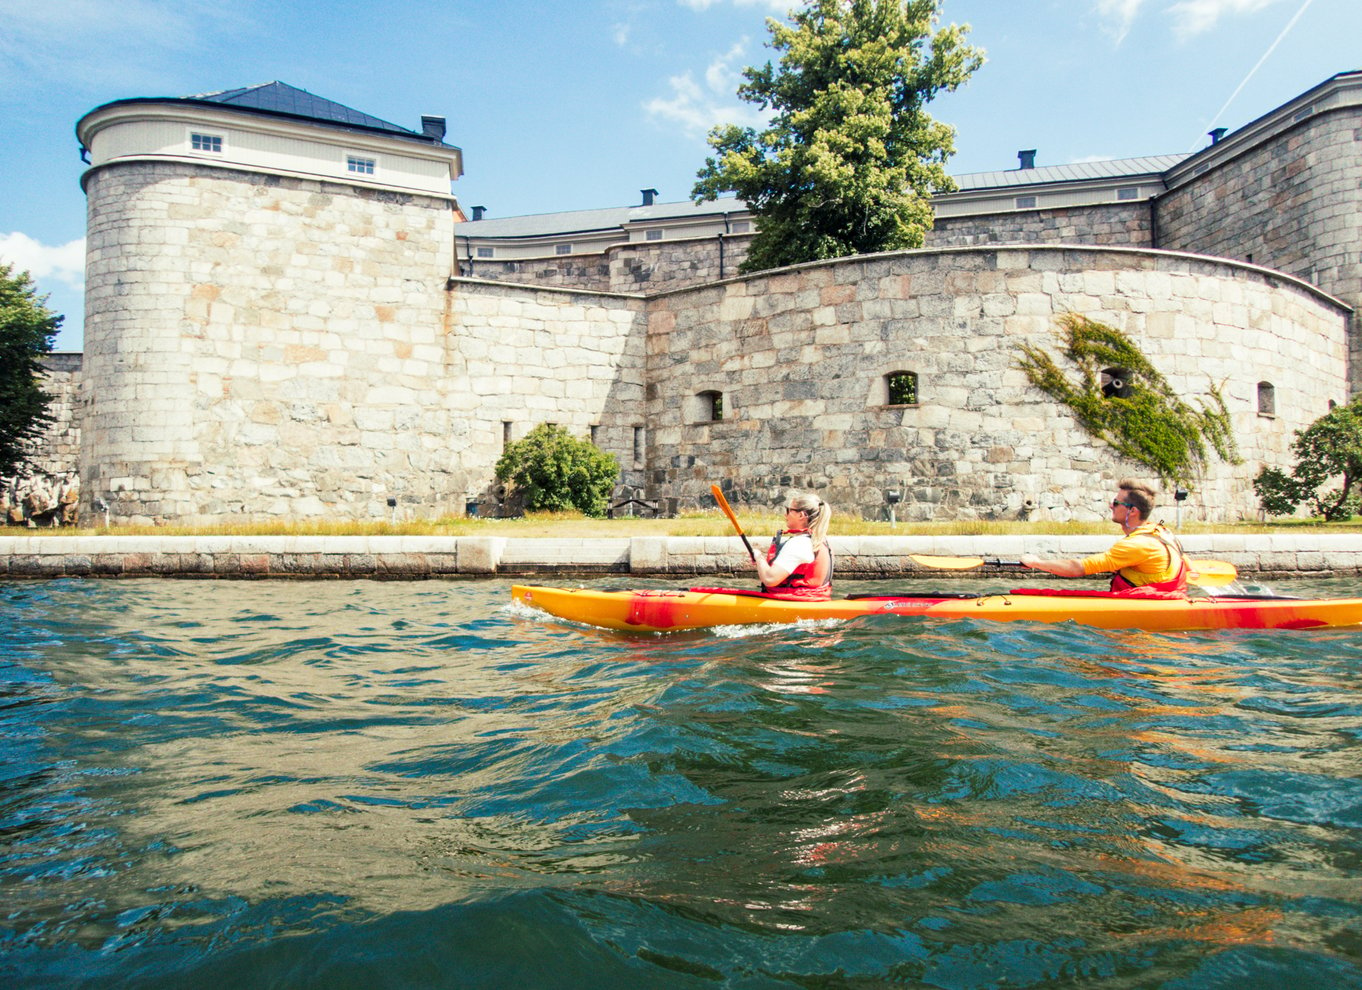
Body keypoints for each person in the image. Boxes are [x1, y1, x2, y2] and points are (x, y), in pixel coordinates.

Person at [1019, 478, 1188, 594]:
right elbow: (1185, 563)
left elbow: (1078, 568)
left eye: (1116, 503)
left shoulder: (1136, 545)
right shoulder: (1162, 532)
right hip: (1165, 600)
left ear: (1133, 511)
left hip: (1145, 624)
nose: (1110, 506)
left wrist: (1036, 563)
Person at [752, 491, 834, 600]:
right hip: (814, 601)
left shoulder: (799, 543)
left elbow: (769, 579)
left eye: (789, 510)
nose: (785, 515)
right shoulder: (821, 541)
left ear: (801, 515)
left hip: (794, 604)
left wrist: (758, 557)